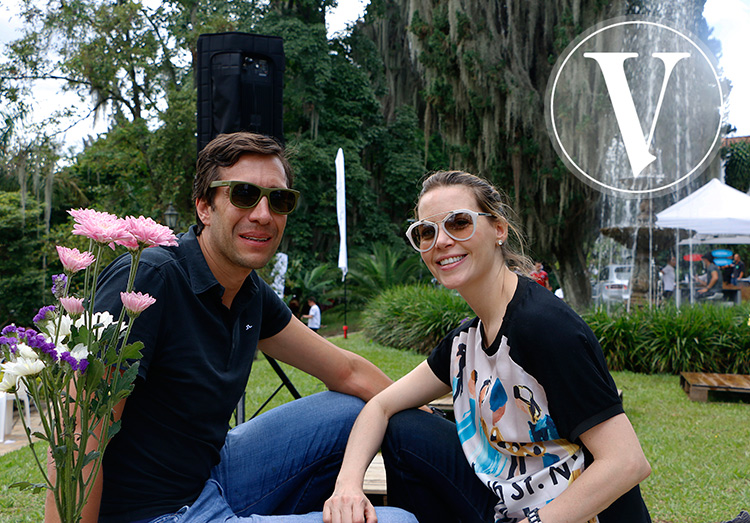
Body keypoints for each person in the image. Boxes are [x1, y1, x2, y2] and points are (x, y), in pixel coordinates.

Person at [45, 132, 416, 523]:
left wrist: (434, 418)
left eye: (279, 199)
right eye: (243, 194)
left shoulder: (247, 291)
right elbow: (77, 437)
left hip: (207, 475)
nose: (262, 214)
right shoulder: (150, 280)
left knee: (351, 407)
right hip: (152, 513)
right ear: (205, 207)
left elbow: (346, 371)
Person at [323, 170, 652, 523]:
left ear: (498, 229)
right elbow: (381, 407)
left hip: (577, 515)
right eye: (426, 232)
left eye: (459, 223)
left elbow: (626, 462)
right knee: (406, 427)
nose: (442, 241)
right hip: (506, 504)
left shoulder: (544, 327)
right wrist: (347, 487)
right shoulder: (467, 341)